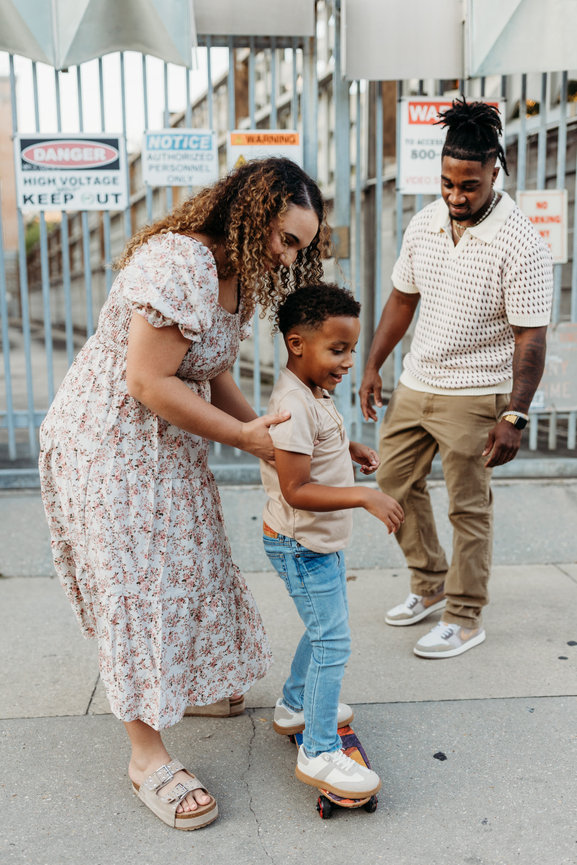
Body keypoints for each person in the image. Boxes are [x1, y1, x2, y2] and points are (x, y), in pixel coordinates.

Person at [39, 157, 327, 830]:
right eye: (286, 239)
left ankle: (178, 687)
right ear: (251, 213)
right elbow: (148, 380)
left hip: (165, 448)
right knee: (136, 587)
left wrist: (258, 427)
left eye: (301, 248)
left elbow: (209, 366)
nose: (289, 257)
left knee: (188, 569)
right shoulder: (179, 263)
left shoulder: (237, 276)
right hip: (108, 445)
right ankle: (147, 757)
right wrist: (243, 437)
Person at [359, 97, 553, 660]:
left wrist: (514, 414)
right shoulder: (425, 223)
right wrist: (374, 363)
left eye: (469, 185)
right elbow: (402, 297)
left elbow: (531, 339)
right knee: (392, 482)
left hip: (476, 392)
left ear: (495, 171)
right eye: (447, 182)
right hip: (418, 381)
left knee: (468, 507)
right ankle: (430, 583)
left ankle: (465, 618)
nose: (456, 196)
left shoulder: (521, 241)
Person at [260, 284, 404, 799]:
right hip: (301, 545)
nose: (347, 362)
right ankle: (319, 750)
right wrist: (362, 495)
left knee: (326, 629)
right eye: (337, 349)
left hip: (315, 545)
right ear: (297, 344)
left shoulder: (314, 395)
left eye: (351, 349)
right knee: (333, 640)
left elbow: (319, 445)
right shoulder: (294, 404)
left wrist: (350, 449)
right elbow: (296, 488)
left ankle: (295, 705)